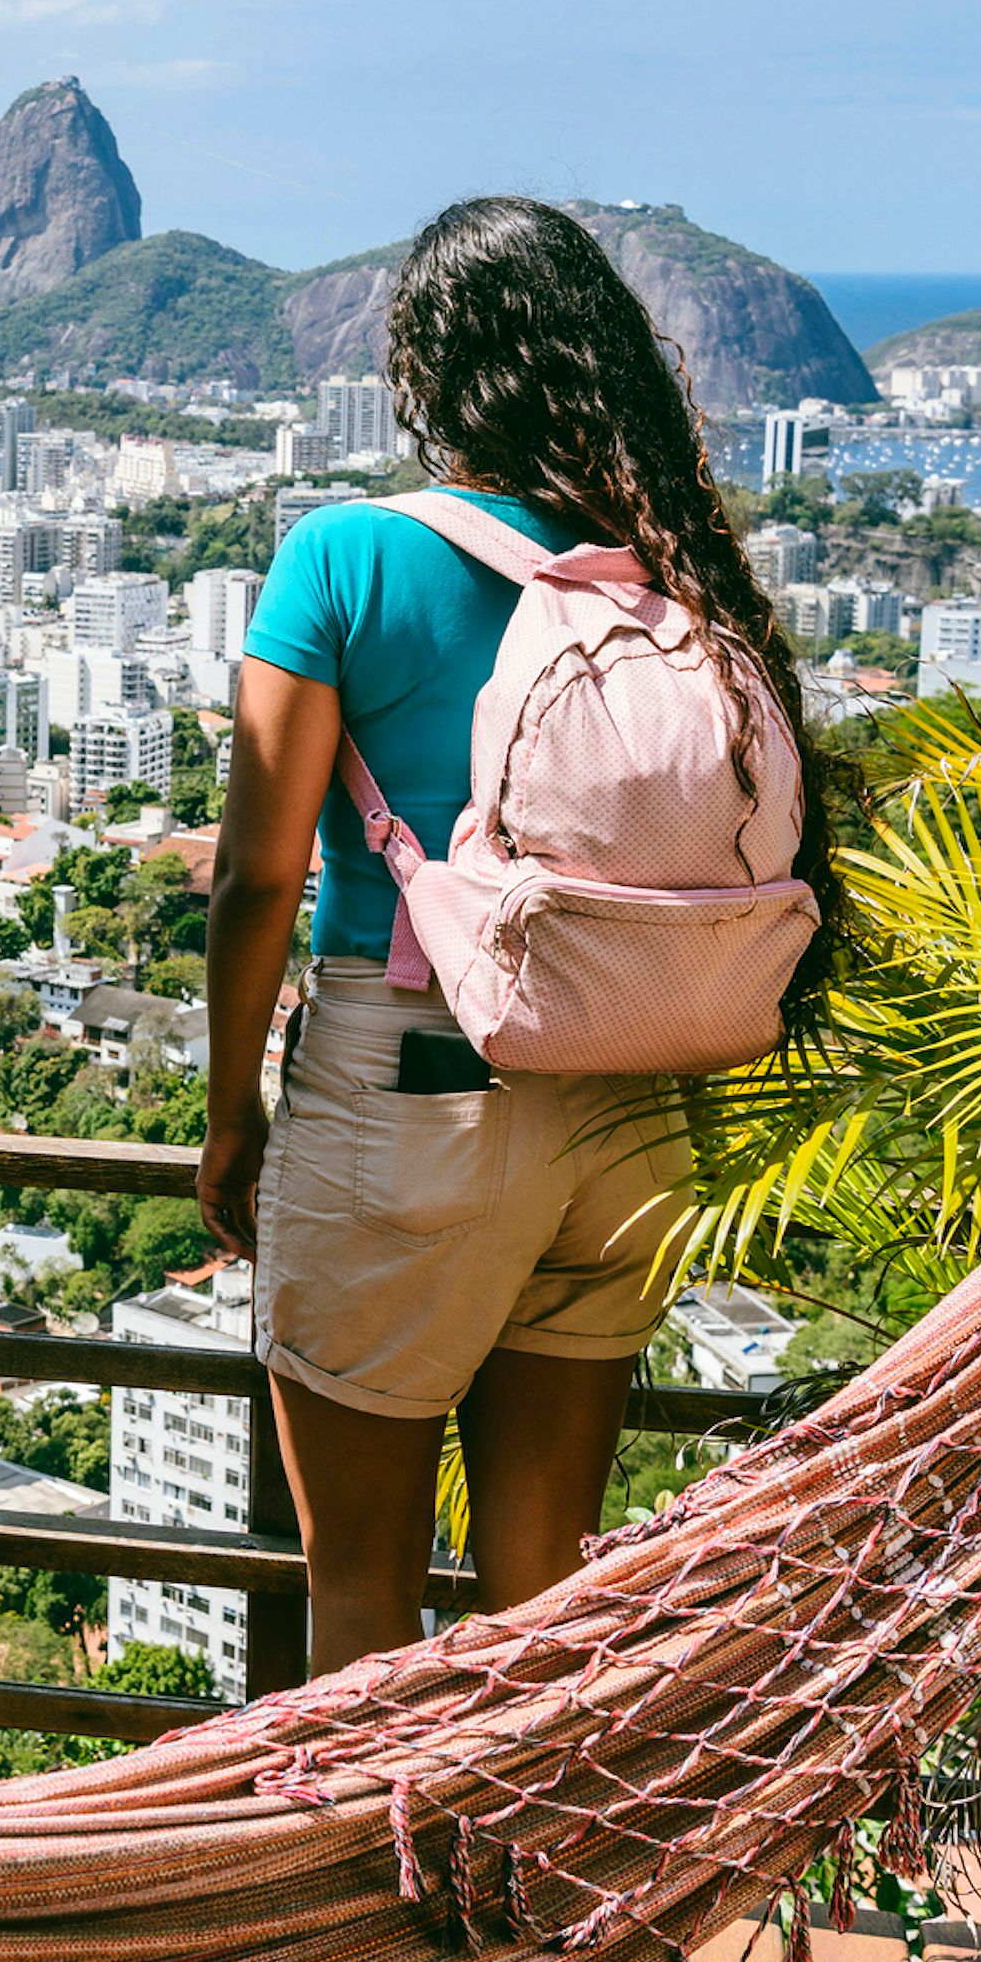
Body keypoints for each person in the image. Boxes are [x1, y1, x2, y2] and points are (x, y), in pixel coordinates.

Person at [193, 194, 842, 1673]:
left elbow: (258, 875)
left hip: (411, 1084)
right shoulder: (668, 566)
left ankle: (368, 1898)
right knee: (540, 1597)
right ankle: (521, 1894)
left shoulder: (345, 559)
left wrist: (231, 1116)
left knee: (360, 1594)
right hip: (628, 1104)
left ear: (424, 376)